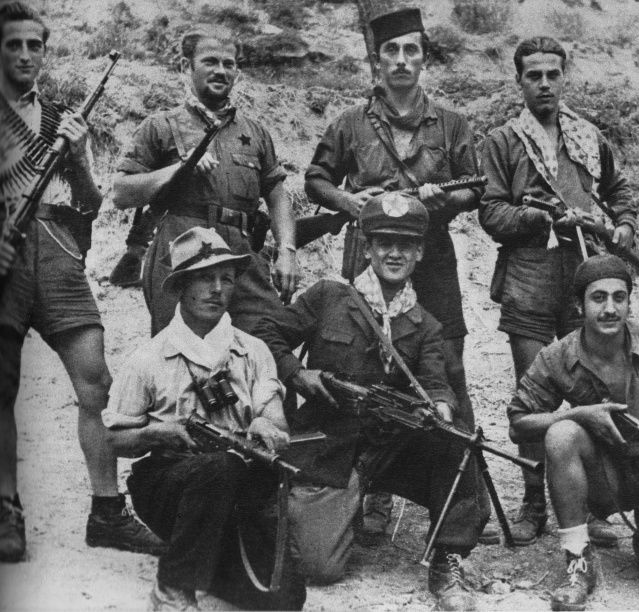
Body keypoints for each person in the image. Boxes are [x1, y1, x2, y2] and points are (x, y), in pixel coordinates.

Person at [253, 192, 489, 611]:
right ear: (367, 247)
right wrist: (297, 373)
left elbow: (437, 383)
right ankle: (322, 507)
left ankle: (447, 557)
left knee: (455, 439)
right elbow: (267, 334)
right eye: (384, 243)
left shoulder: (427, 325)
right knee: (319, 567)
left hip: (391, 446)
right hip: (330, 445)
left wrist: (441, 409)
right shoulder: (328, 297)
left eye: (405, 245)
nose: (394, 254)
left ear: (419, 252)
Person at [304, 7, 483, 535]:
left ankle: (462, 498)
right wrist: (350, 201)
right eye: (392, 51)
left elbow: (476, 187)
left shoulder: (451, 124)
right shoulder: (350, 123)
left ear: (424, 59)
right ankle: (370, 492)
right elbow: (316, 179)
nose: (402, 60)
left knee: (447, 367)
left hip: (432, 258)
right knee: (366, 371)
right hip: (370, 255)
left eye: (412, 51)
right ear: (377, 60)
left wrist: (441, 200)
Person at [0, 1, 163, 562]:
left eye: (35, 45)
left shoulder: (60, 119)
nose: (26, 55)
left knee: (96, 384)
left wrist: (76, 157)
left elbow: (92, 205)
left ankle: (107, 512)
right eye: (13, 45)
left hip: (56, 250)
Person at [479, 36, 636, 546]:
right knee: (532, 393)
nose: (544, 84)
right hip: (529, 276)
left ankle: (591, 504)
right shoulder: (503, 140)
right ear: (519, 81)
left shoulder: (588, 135)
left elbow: (619, 191)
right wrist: (540, 216)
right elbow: (491, 211)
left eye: (552, 74)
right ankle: (533, 503)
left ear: (564, 77)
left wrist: (623, 225)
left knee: (591, 388)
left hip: (585, 276)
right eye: (533, 76)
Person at [102, 226, 306, 611]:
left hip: (239, 490)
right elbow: (113, 441)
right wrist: (159, 433)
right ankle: (172, 589)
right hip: (171, 486)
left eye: (226, 279)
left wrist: (267, 426)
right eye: (204, 278)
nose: (216, 289)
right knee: (218, 469)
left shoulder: (253, 351)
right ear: (181, 286)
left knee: (285, 598)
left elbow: (277, 424)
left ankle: (210, 561)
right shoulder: (148, 359)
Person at [508, 255, 639, 610]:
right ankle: (578, 560)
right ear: (579, 305)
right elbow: (518, 424)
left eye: (619, 297)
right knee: (562, 434)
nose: (609, 309)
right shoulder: (558, 355)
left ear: (629, 302)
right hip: (608, 478)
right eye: (598, 298)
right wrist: (578, 414)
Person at [112, 26, 298, 336]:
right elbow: (121, 193)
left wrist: (288, 251)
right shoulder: (160, 126)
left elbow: (277, 196)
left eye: (229, 64)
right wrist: (179, 169)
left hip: (242, 258)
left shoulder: (255, 133)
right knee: (183, 351)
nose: (221, 71)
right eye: (210, 61)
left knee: (267, 344)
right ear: (186, 66)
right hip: (181, 257)